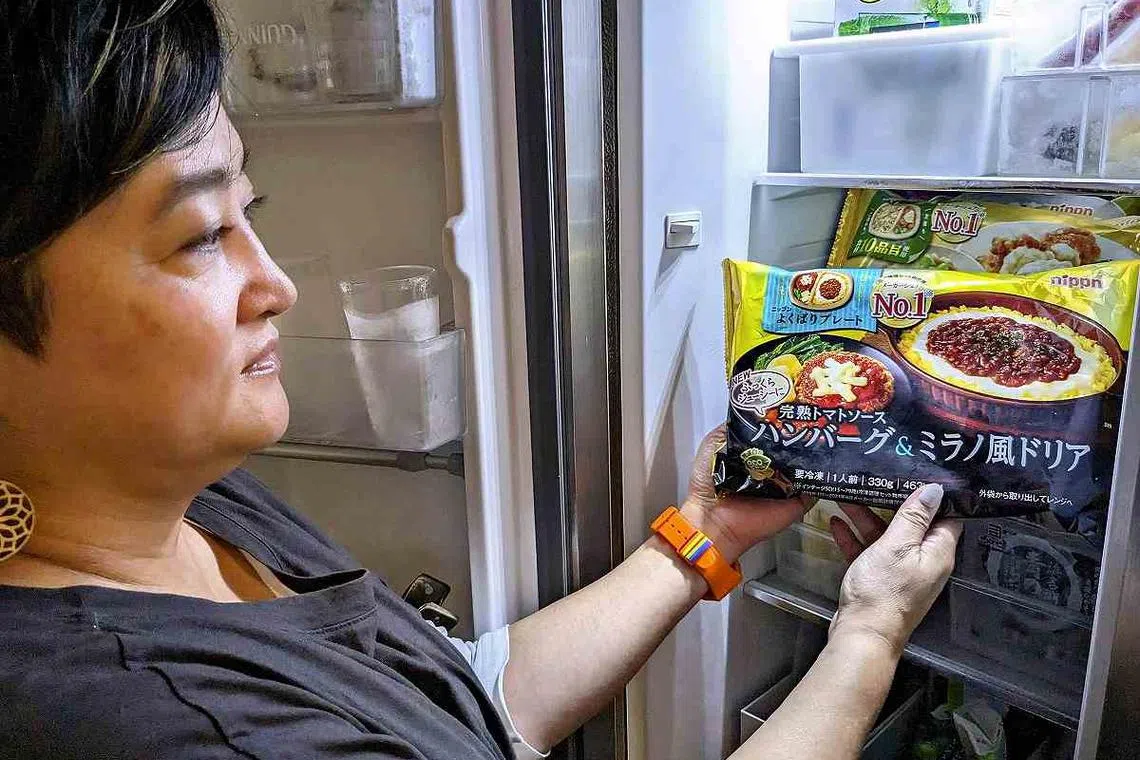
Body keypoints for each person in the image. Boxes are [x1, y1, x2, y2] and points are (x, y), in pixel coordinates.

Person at [0, 2, 962, 759]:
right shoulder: (165, 725)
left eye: (251, 211)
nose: (278, 285)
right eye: (202, 234)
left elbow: (465, 704)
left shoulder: (186, 504)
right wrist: (871, 634)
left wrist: (704, 536)